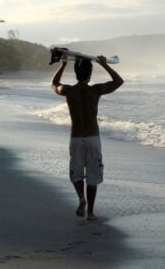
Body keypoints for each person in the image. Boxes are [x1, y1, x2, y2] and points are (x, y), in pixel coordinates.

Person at [51, 55, 124, 220]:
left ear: (76, 72)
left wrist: (62, 65)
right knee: (93, 175)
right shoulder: (95, 90)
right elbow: (119, 81)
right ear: (90, 73)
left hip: (76, 137)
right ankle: (90, 213)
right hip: (92, 138)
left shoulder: (69, 91)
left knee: (76, 174)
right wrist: (104, 65)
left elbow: (54, 84)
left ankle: (81, 199)